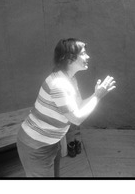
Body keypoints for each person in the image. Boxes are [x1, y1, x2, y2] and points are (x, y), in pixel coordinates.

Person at [16, 38, 116, 177]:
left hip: (51, 142)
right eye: (83, 53)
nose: (88, 56)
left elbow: (79, 106)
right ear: (69, 58)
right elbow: (76, 118)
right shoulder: (58, 84)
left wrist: (96, 94)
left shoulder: (70, 79)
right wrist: (97, 96)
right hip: (35, 146)